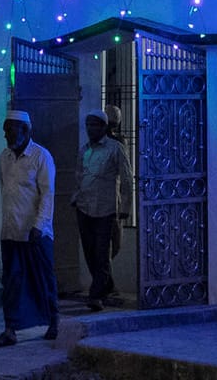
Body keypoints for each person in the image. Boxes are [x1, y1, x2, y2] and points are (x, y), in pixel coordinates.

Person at [0, 109, 58, 348]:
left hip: (36, 232)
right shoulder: (4, 158)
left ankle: (54, 322)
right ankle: (10, 329)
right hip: (11, 231)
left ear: (25, 130)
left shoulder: (41, 156)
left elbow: (47, 194)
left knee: (43, 278)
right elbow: (4, 189)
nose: (7, 136)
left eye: (11, 131)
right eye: (5, 131)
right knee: (11, 283)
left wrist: (39, 225)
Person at [71, 107, 131, 311]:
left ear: (104, 127)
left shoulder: (115, 148)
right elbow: (79, 175)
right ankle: (104, 287)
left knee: (102, 253)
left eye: (94, 125)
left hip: (106, 209)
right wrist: (75, 198)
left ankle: (95, 295)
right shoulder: (84, 149)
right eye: (88, 125)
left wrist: (125, 206)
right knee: (89, 252)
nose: (90, 129)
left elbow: (126, 178)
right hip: (84, 207)